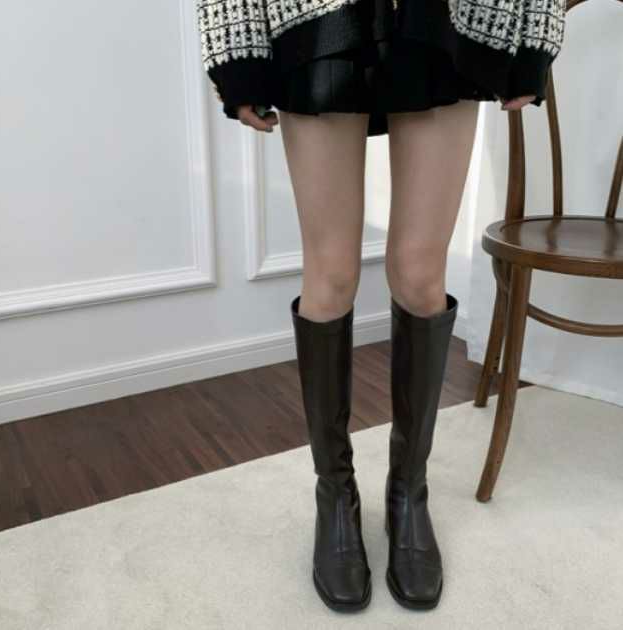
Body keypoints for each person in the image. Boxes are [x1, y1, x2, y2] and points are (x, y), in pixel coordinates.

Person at [198, 0, 567, 613]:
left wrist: (533, 40)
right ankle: (335, 497)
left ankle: (408, 493)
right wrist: (236, 57)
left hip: (444, 18)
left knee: (420, 274)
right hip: (315, 18)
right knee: (331, 275)